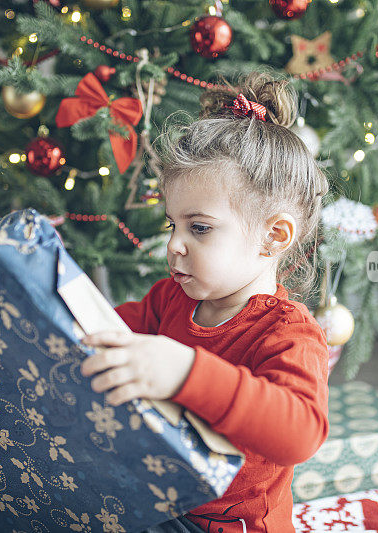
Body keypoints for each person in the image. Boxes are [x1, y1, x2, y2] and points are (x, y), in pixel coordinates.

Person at [81, 70, 330, 533]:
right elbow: (107, 331)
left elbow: (301, 432)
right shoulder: (168, 298)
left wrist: (185, 372)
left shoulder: (289, 332)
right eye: (172, 224)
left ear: (273, 236)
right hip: (152, 499)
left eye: (199, 228)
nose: (174, 245)